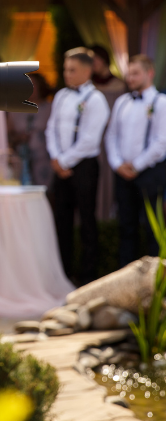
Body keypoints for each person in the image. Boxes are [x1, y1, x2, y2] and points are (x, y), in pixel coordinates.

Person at [46, 48, 110, 285]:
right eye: (65, 69)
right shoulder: (62, 95)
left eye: (72, 70)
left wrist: (64, 161)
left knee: (86, 221)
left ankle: (88, 276)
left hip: (84, 167)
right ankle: (63, 273)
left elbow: (90, 139)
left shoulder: (96, 99)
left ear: (87, 70)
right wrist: (55, 157)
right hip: (60, 165)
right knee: (61, 220)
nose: (67, 74)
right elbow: (51, 128)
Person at [105, 55, 166, 266]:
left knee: (153, 229)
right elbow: (111, 135)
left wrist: (137, 165)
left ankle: (156, 286)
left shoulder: (161, 103)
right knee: (126, 228)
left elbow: (162, 141)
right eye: (128, 73)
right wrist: (117, 163)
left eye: (135, 73)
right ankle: (125, 283)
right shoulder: (122, 102)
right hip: (122, 173)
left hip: (151, 174)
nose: (130, 78)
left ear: (150, 73)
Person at [90, 44, 127, 221]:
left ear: (103, 58)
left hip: (110, 141)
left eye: (94, 59)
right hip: (91, 141)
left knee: (108, 180)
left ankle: (107, 220)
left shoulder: (119, 86)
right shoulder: (88, 87)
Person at [7, 73, 53, 188]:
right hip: (21, 160)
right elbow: (7, 135)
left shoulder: (50, 108)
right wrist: (18, 138)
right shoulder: (14, 109)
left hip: (44, 160)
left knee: (45, 190)